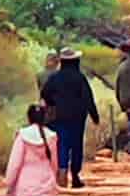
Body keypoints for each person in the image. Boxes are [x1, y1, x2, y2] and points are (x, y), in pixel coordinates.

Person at [38, 47, 99, 188]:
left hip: (59, 117)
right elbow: (88, 98)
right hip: (77, 117)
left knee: (62, 144)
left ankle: (62, 173)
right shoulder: (80, 78)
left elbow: (45, 94)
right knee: (76, 145)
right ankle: (75, 175)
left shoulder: (54, 78)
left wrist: (53, 103)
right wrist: (94, 115)